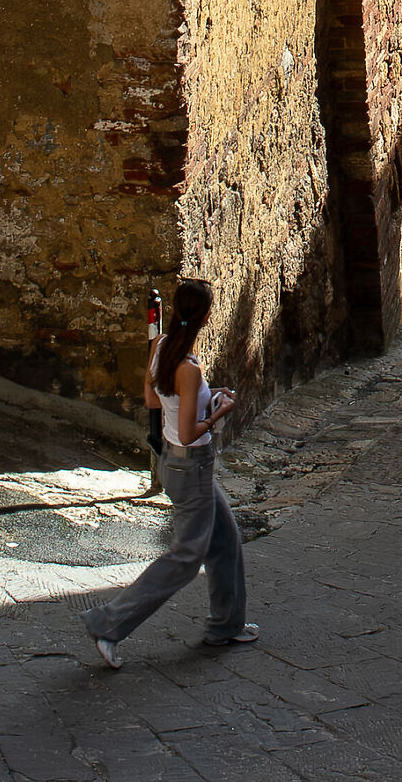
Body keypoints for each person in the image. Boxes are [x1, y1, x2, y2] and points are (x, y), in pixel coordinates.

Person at [81, 280, 259, 667]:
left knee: (225, 539)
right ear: (207, 316)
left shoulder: (161, 345)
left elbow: (152, 398)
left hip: (177, 463)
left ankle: (226, 626)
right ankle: (108, 624)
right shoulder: (189, 367)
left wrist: (201, 401)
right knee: (185, 557)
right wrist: (217, 412)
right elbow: (189, 431)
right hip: (191, 463)